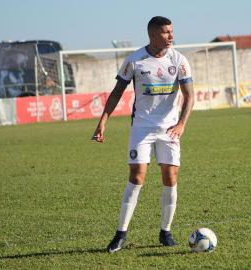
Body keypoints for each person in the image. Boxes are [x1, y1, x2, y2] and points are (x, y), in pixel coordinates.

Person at [91, 16, 195, 253]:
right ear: (152, 35)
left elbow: (190, 96)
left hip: (169, 129)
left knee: (170, 177)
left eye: (171, 31)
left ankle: (165, 232)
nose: (171, 36)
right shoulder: (134, 60)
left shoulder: (179, 60)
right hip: (142, 128)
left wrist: (181, 124)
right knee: (137, 177)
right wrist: (103, 122)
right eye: (166, 32)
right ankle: (120, 234)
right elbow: (117, 92)